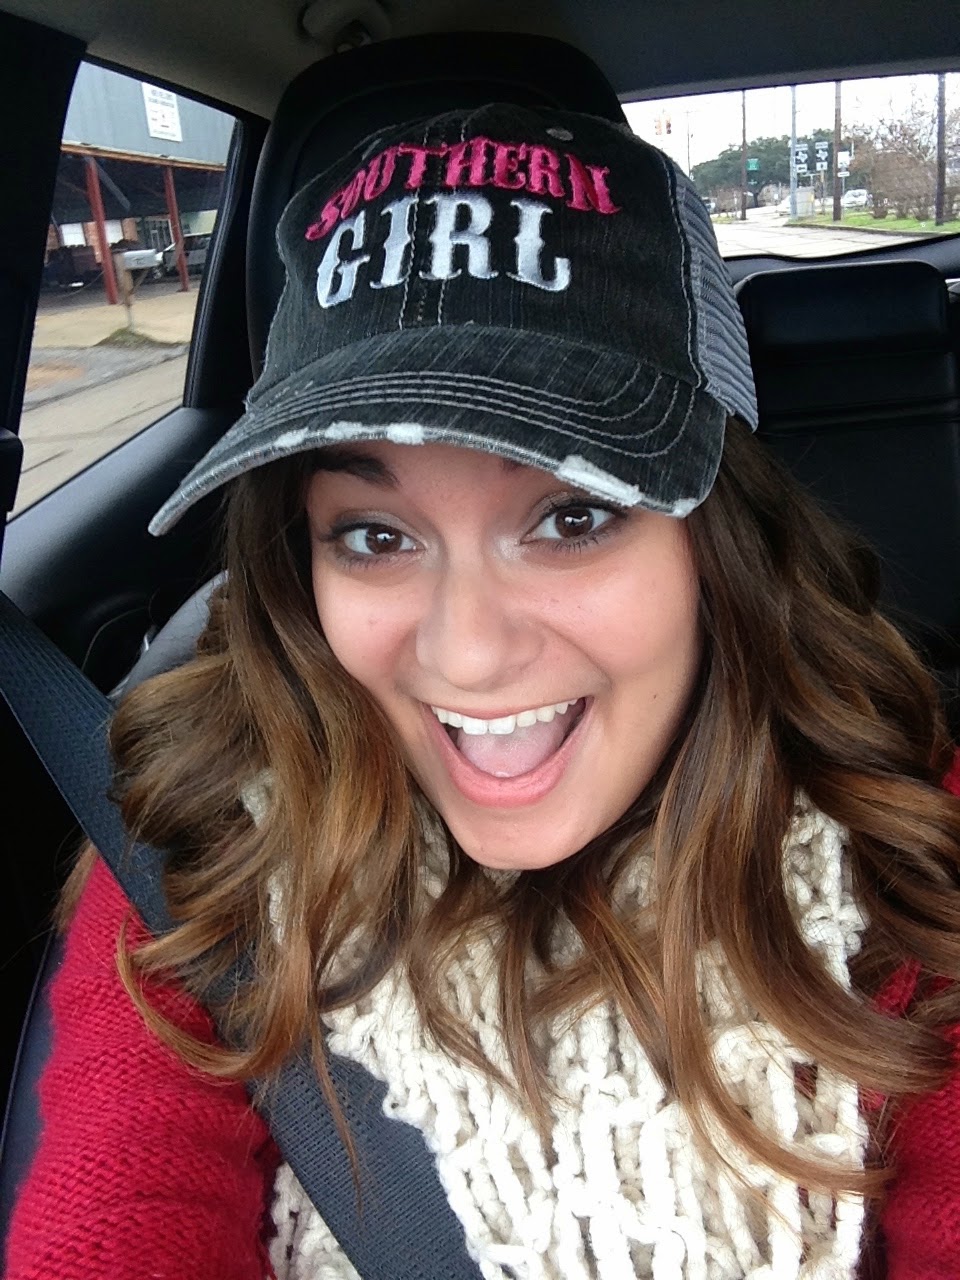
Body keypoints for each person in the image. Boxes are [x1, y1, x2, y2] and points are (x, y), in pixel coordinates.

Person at [7, 102, 960, 1280]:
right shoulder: (197, 852)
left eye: (573, 514)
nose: (465, 655)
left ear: (721, 541)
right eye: (374, 534)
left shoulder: (905, 845)